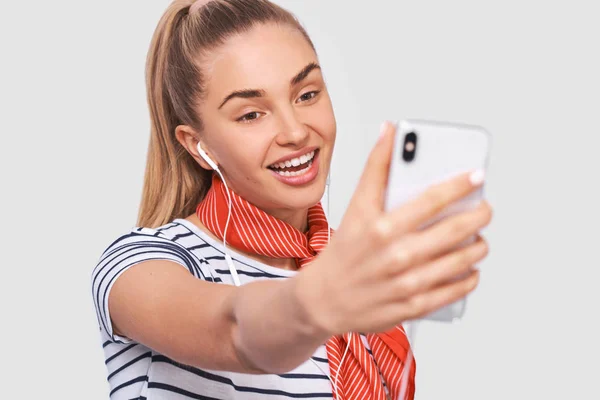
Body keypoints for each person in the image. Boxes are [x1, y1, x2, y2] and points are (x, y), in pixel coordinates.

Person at [90, 0, 493, 399]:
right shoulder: (139, 263)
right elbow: (235, 331)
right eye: (251, 114)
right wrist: (319, 298)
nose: (295, 131)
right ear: (197, 146)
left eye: (307, 94)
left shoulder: (354, 273)